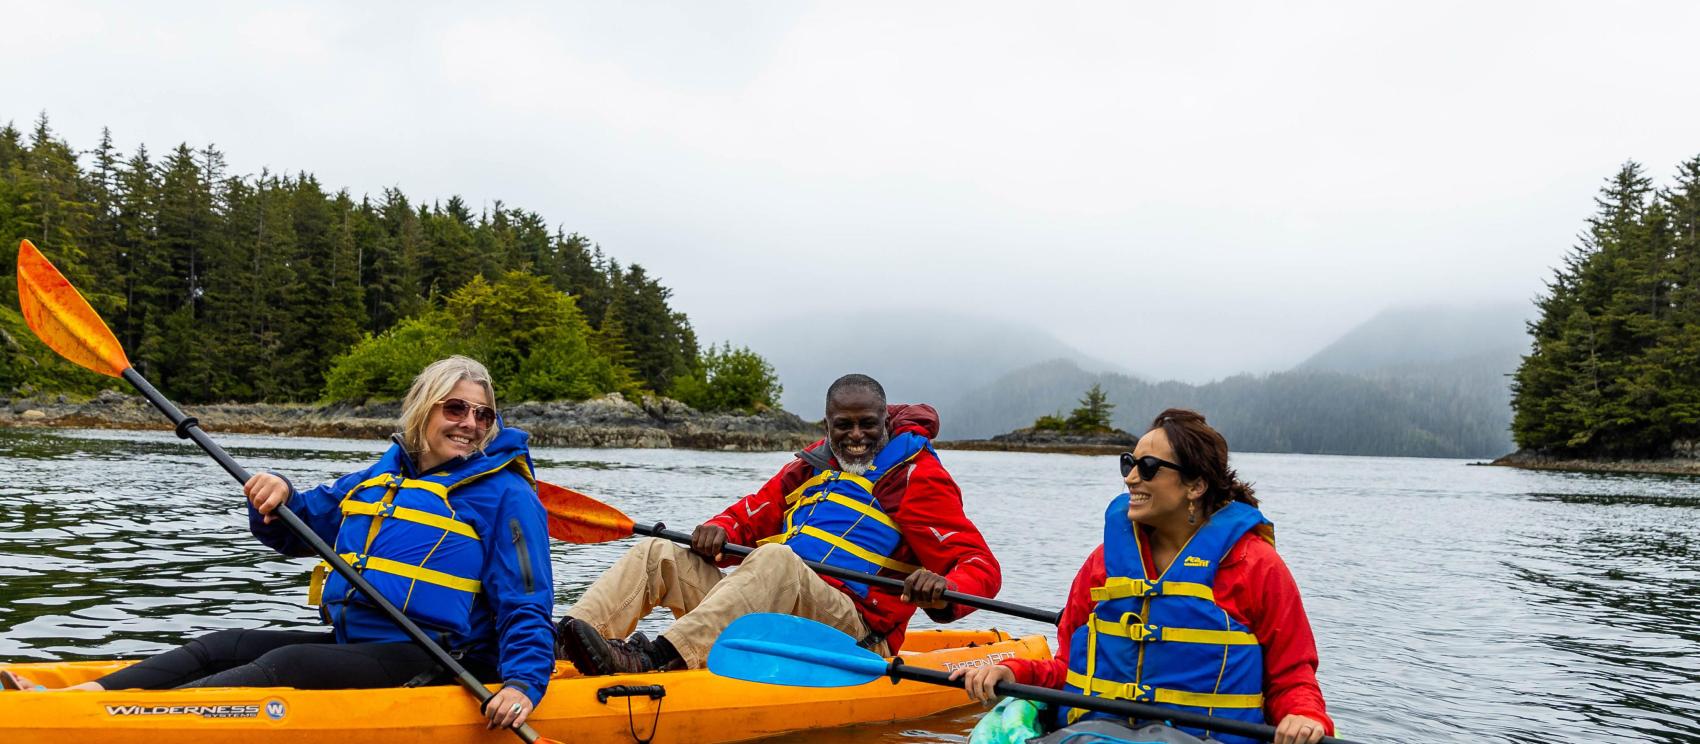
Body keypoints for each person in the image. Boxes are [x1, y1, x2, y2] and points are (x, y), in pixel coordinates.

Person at [0, 356, 555, 731]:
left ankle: (115, 723)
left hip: (440, 658)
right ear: (423, 409)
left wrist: (526, 683)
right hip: (357, 641)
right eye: (455, 408)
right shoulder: (382, 478)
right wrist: (274, 494)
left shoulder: (506, 495)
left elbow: (526, 600)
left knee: (289, 660)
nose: (470, 423)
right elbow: (296, 526)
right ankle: (71, 700)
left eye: (483, 414)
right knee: (224, 644)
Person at [555, 373, 1001, 674]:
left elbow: (979, 564)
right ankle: (552, 649)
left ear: (885, 421)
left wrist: (941, 589)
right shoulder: (812, 465)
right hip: (776, 606)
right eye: (844, 425)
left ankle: (655, 660)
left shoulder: (915, 476)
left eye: (868, 423)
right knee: (659, 553)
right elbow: (750, 513)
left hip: (856, 636)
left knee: (776, 560)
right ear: (827, 424)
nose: (856, 435)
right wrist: (720, 529)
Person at [951, 409, 1333, 744]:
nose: (1131, 478)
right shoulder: (1102, 564)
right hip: (1094, 735)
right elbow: (1069, 669)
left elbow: (1292, 676)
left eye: (1148, 468)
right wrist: (1012, 670)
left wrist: (1305, 718)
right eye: (1128, 464)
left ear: (1196, 486)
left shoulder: (1255, 566)